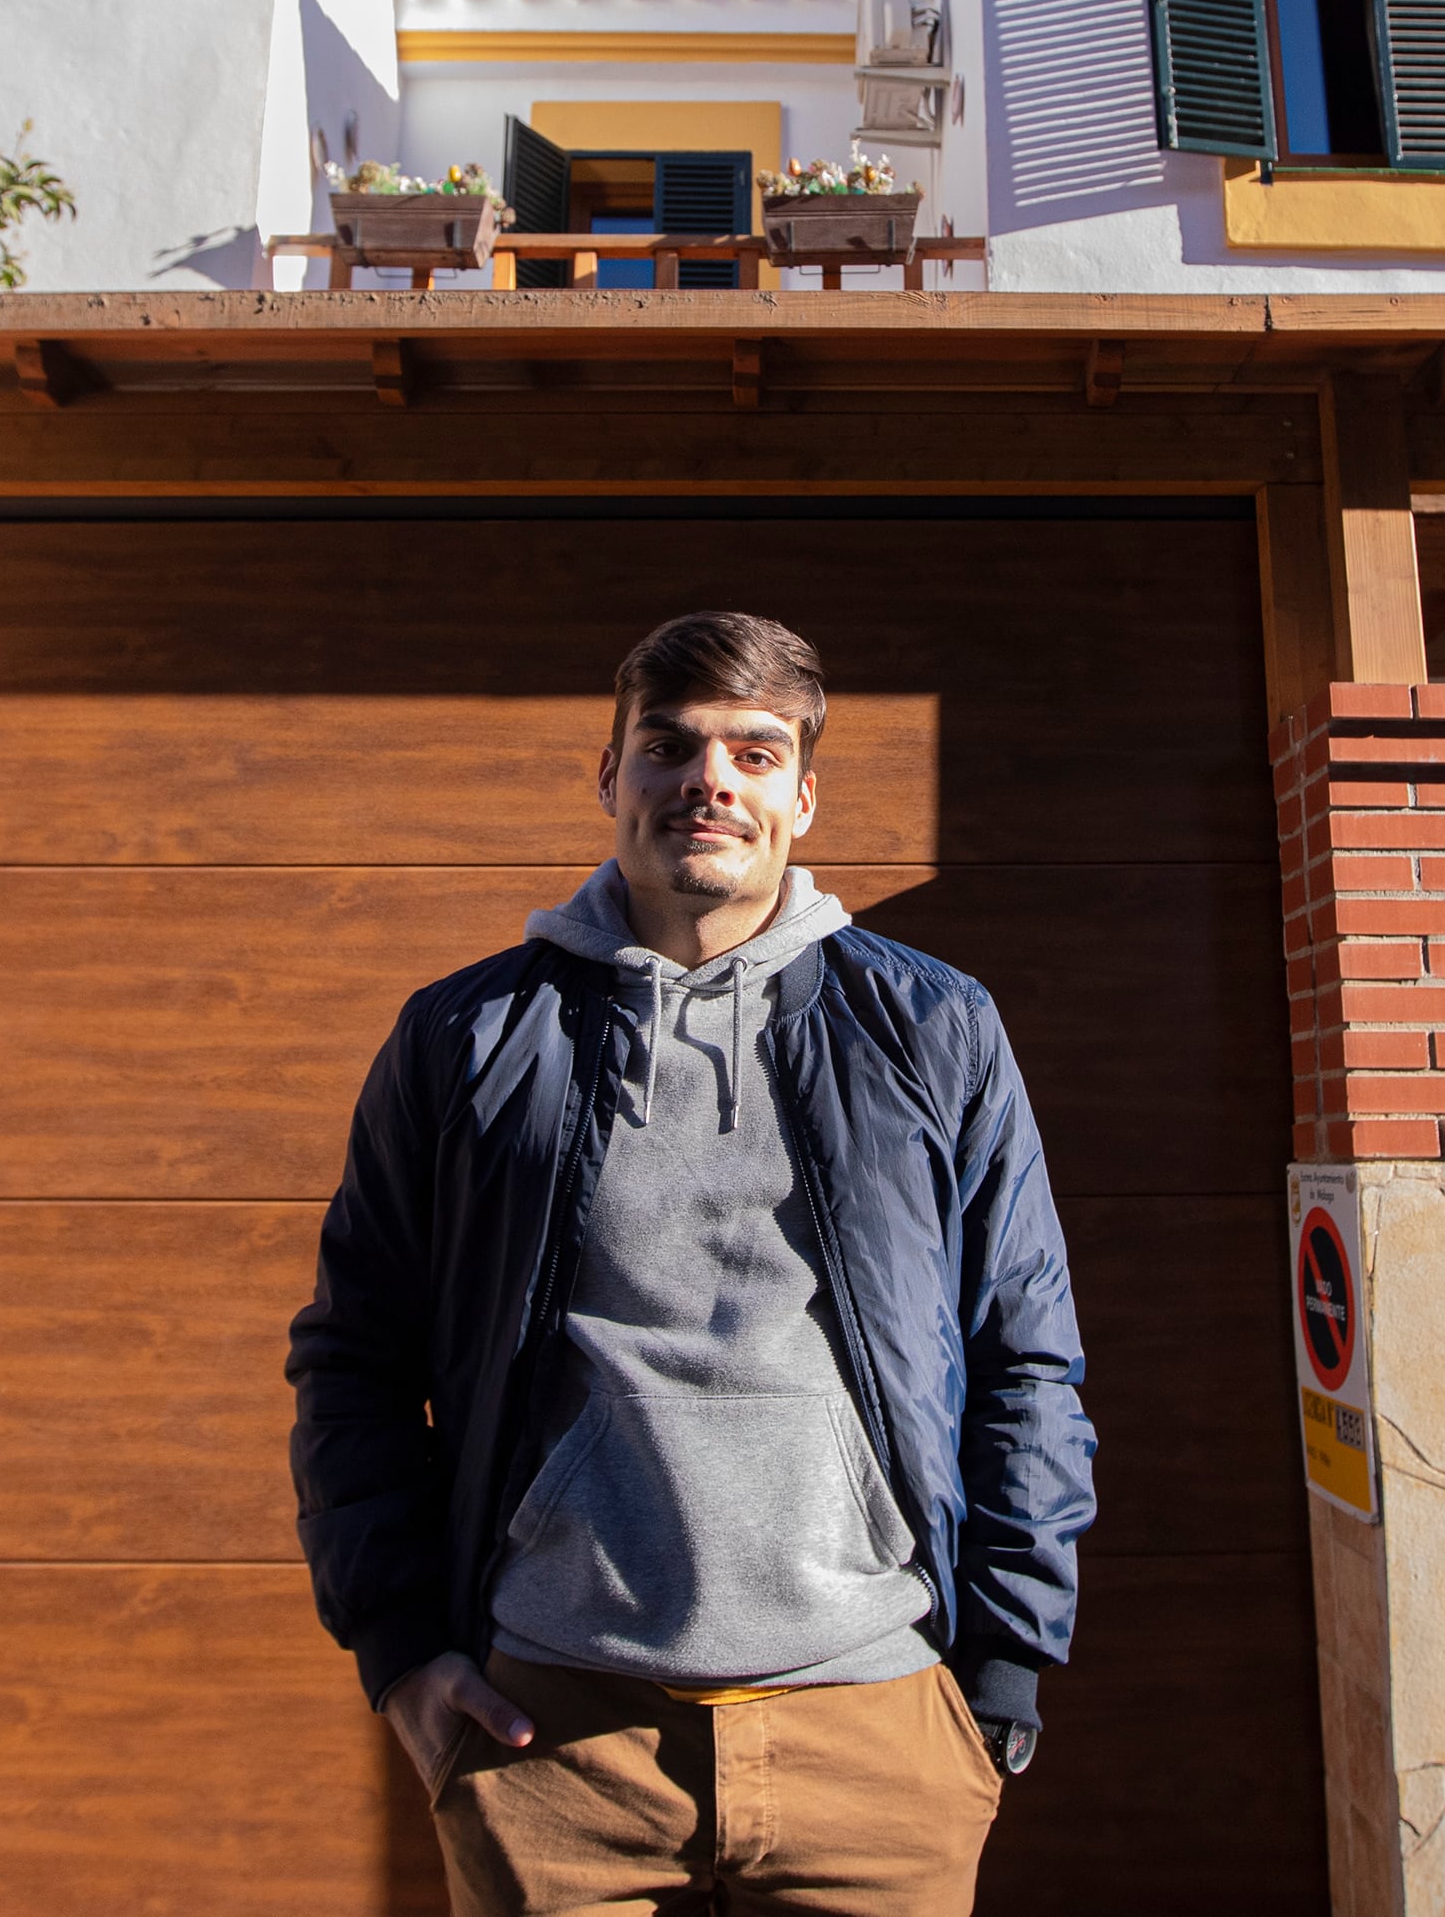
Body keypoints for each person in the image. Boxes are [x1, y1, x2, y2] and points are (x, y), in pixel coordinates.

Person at [288, 609, 1097, 1916]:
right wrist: (399, 1654)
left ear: (804, 795)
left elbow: (1027, 1349)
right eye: (669, 744)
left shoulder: (937, 1028)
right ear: (610, 776)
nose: (708, 778)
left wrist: (1002, 1669)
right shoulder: (466, 1039)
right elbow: (355, 1357)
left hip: (878, 1729)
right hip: (553, 1744)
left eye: (755, 751)